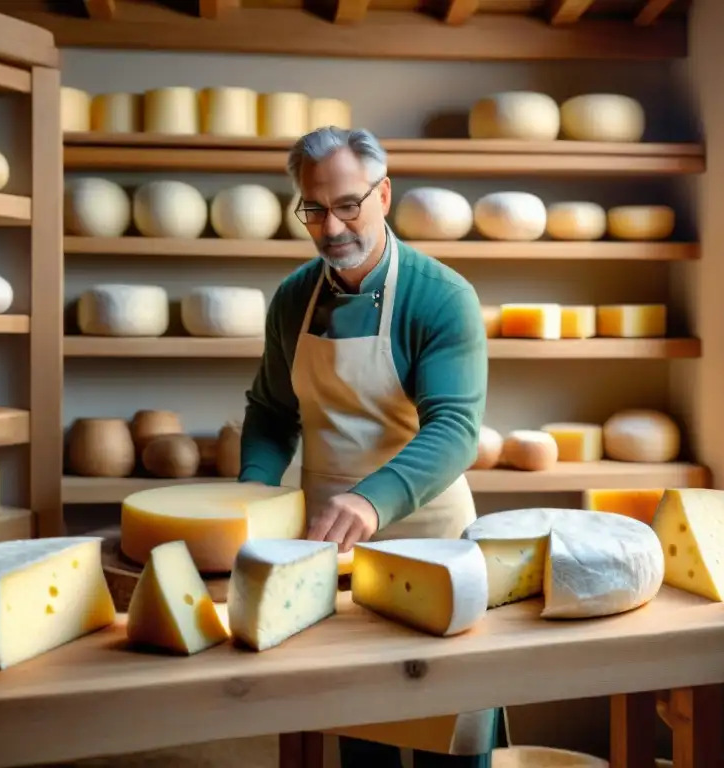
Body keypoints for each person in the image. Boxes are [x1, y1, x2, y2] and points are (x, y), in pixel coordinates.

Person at [238, 125, 498, 768]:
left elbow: (454, 430)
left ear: (383, 194)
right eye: (314, 210)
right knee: (362, 733)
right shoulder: (294, 297)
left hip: (430, 540)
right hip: (327, 548)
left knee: (451, 735)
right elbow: (272, 413)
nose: (331, 228)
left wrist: (371, 500)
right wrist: (248, 500)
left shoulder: (441, 298)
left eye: (348, 205)